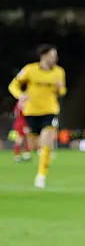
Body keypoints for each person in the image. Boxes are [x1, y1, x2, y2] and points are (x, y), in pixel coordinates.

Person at [8, 44, 66, 188]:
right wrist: (20, 95)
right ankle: (40, 155)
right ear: (44, 56)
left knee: (46, 140)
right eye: (53, 55)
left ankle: (41, 176)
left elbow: (62, 92)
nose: (55, 58)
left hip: (50, 110)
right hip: (31, 111)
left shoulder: (59, 72)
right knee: (34, 145)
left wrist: (60, 88)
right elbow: (13, 85)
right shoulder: (30, 70)